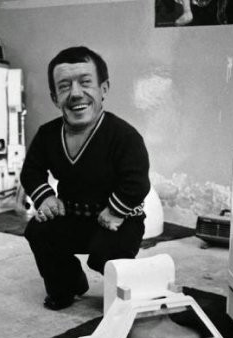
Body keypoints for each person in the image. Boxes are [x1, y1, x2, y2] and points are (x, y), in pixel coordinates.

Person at [20, 46, 151, 310]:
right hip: (72, 215)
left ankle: (127, 290)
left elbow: (137, 182)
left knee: (107, 254)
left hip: (118, 220)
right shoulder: (48, 135)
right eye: (64, 86)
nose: (76, 93)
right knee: (39, 231)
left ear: (104, 89)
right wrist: (45, 198)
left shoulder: (124, 136)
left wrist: (116, 211)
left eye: (85, 82)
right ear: (54, 97)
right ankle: (67, 284)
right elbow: (31, 171)